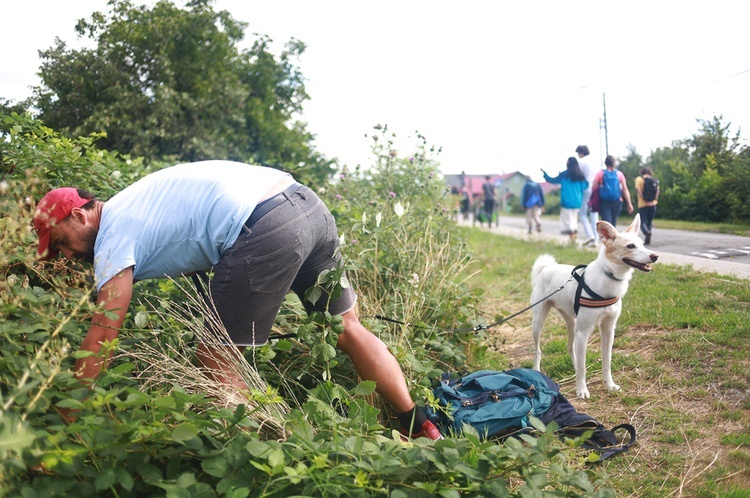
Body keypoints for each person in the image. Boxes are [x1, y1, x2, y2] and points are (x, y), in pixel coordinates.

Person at [32, 160, 441, 440]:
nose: (68, 256)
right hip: (306, 204)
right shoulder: (137, 202)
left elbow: (105, 327)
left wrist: (69, 412)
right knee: (348, 327)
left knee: (213, 360)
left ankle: (263, 449)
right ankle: (418, 424)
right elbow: (194, 234)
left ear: (80, 215)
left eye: (63, 243)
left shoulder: (111, 236)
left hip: (265, 223)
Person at [542, 157, 588, 242]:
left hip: (567, 201)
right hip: (577, 201)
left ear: (569, 163)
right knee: (574, 219)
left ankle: (572, 239)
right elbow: (586, 185)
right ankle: (574, 237)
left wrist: (545, 174)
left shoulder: (565, 175)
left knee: (568, 220)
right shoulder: (580, 175)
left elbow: (553, 180)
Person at [592, 155, 633, 227]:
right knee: (613, 224)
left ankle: (609, 237)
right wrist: (629, 203)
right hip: (617, 202)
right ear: (614, 163)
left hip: (604, 202)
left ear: (605, 163)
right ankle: (613, 237)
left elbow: (593, 187)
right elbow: (625, 189)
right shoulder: (619, 174)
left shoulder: (600, 173)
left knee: (607, 224)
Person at [575, 145, 599, 246]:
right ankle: (596, 240)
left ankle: (590, 235)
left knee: (583, 214)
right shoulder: (595, 162)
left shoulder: (582, 163)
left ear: (581, 153)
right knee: (594, 214)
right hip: (596, 189)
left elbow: (579, 176)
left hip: (586, 189)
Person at [635, 167, 659, 244]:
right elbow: (657, 191)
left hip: (643, 204)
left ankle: (646, 232)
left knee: (643, 221)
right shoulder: (654, 180)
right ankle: (648, 238)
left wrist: (644, 200)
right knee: (649, 221)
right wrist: (654, 200)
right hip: (653, 204)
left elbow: (639, 190)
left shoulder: (639, 179)